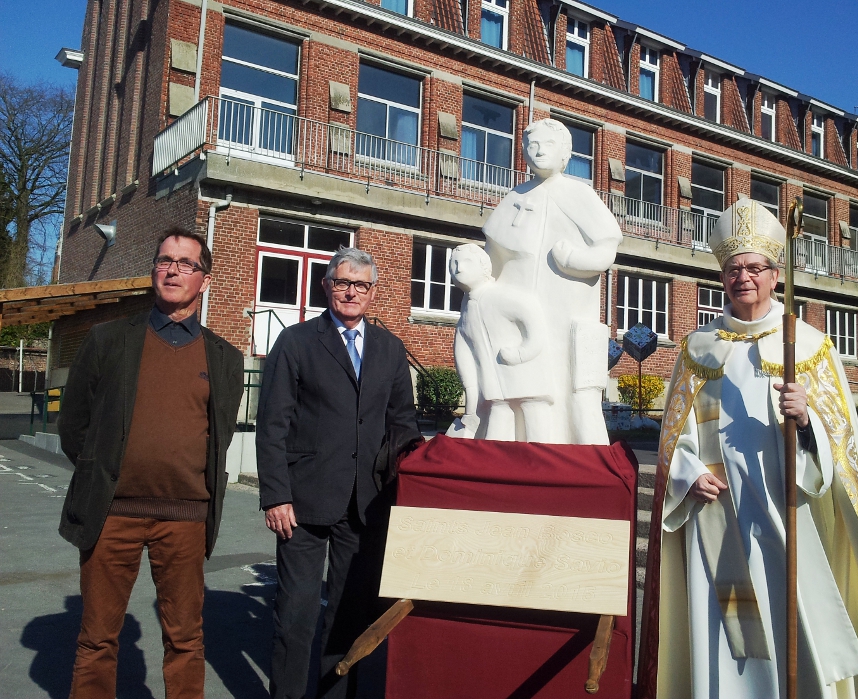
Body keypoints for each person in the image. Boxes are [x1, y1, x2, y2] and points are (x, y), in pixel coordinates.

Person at [636, 201, 858, 699]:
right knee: (725, 635)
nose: (743, 277)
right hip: (719, 517)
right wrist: (687, 474)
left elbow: (840, 456)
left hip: (790, 515)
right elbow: (677, 436)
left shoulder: (810, 347)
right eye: (733, 268)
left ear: (776, 276)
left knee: (791, 620)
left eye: (754, 268)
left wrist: (806, 422)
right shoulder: (698, 349)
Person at [58, 227, 245, 699]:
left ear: (204, 279)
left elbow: (216, 435)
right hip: (111, 515)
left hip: (185, 520)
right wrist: (102, 473)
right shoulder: (108, 340)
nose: (174, 270)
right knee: (98, 639)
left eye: (186, 263)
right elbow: (74, 425)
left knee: (185, 638)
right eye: (165, 260)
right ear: (153, 270)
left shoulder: (224, 357)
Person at [256, 247, 419, 699]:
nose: (351, 292)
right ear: (326, 286)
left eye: (361, 285)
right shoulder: (296, 341)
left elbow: (402, 422)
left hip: (365, 505)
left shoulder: (390, 348)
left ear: (373, 292)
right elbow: (273, 423)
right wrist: (274, 495)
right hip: (303, 502)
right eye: (343, 282)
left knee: (349, 619)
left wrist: (409, 480)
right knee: (295, 616)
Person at [482, 118, 622, 444]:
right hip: (514, 312)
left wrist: (574, 259)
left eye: (548, 145)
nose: (539, 151)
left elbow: (606, 249)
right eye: (532, 145)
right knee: (514, 388)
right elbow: (492, 256)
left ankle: (574, 453)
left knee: (566, 388)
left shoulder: (578, 193)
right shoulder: (514, 196)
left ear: (566, 153)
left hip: (563, 311)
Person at [447, 243, 553, 442]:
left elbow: (531, 318)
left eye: (466, 262)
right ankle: (496, 466)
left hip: (526, 376)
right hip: (494, 385)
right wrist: (471, 397)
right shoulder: (467, 309)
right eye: (454, 264)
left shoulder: (502, 295)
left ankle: (541, 465)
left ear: (484, 266)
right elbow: (463, 352)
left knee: (534, 418)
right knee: (497, 420)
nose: (458, 269)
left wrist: (523, 352)